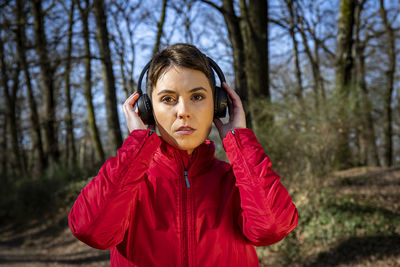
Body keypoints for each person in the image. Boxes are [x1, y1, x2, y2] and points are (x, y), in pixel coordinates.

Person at [68, 43, 298, 267]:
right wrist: (137, 144)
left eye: (197, 97)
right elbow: (91, 230)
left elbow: (272, 228)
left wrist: (240, 142)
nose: (184, 112)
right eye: (168, 99)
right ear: (148, 110)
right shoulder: (129, 183)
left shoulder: (237, 181)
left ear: (218, 105)